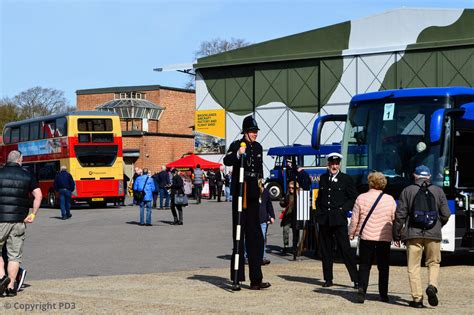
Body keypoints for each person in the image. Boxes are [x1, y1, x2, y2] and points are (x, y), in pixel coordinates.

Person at [393, 165, 451, 308]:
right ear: (429, 177)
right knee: (433, 263)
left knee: (414, 266)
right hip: (433, 234)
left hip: (413, 234)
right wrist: (437, 226)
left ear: (415, 175)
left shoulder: (407, 191)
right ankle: (432, 285)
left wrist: (396, 233)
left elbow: (400, 215)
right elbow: (446, 214)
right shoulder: (438, 191)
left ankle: (417, 299)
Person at [223, 114, 270, 291]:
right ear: (245, 132)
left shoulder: (258, 147)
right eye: (252, 131)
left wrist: (262, 187)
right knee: (238, 236)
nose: (255, 134)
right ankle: (236, 278)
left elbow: (259, 170)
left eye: (256, 131)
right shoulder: (237, 145)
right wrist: (237, 154)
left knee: (256, 237)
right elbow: (227, 160)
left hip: (252, 194)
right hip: (240, 193)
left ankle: (256, 279)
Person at [348, 172, 396, 303]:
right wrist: (397, 235)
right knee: (383, 266)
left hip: (366, 237)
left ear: (370, 183)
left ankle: (362, 290)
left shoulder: (361, 198)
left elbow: (354, 219)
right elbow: (394, 218)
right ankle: (384, 294)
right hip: (384, 237)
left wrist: (351, 233)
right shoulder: (390, 199)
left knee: (364, 265)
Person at [0, 150, 42, 296]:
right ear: (20, 160)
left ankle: (1, 279)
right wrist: (33, 214)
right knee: (14, 255)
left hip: (1, 220)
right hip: (19, 220)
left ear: (7, 160)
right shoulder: (27, 175)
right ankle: (11, 287)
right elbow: (39, 195)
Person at [315, 152, 358, 288]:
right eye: (332, 163)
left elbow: (353, 198)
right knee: (326, 250)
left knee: (345, 250)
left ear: (339, 164)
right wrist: (319, 211)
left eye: (336, 163)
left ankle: (356, 279)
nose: (334, 166)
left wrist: (343, 209)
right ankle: (328, 279)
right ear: (328, 164)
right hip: (325, 220)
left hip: (338, 220)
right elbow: (320, 197)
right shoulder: (322, 178)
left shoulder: (346, 179)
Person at [279, 181, 299, 255]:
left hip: (296, 216)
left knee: (296, 232)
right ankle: (286, 246)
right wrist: (281, 202)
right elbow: (283, 204)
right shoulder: (287, 195)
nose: (290, 189)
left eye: (292, 188)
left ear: (296, 188)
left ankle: (295, 246)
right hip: (287, 216)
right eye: (289, 187)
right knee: (285, 230)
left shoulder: (299, 195)